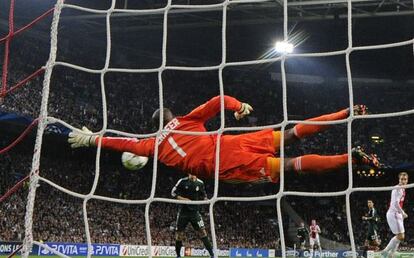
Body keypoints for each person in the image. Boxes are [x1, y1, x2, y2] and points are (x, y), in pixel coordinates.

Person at [68, 95, 380, 183]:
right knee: (291, 134)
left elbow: (118, 143)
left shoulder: (149, 145)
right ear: (169, 116)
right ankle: (343, 113)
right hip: (229, 143)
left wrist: (91, 139)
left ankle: (348, 159)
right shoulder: (186, 119)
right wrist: (238, 107)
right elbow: (219, 100)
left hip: (221, 162)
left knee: (289, 165)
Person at [171, 174, 214, 258]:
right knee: (179, 235)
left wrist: (206, 199)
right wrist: (184, 199)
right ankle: (178, 255)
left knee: (203, 232)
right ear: (188, 173)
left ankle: (212, 255)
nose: (192, 174)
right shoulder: (182, 181)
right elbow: (173, 193)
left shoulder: (200, 183)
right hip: (183, 212)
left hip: (195, 213)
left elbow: (204, 195)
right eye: (190, 172)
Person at [381, 172, 409, 258]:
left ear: (407, 180)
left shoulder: (403, 189)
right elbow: (396, 204)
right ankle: (385, 252)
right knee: (401, 236)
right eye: (401, 179)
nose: (403, 181)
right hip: (394, 214)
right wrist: (403, 213)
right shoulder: (399, 189)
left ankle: (391, 254)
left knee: (400, 236)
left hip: (397, 214)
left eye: (405, 179)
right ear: (399, 179)